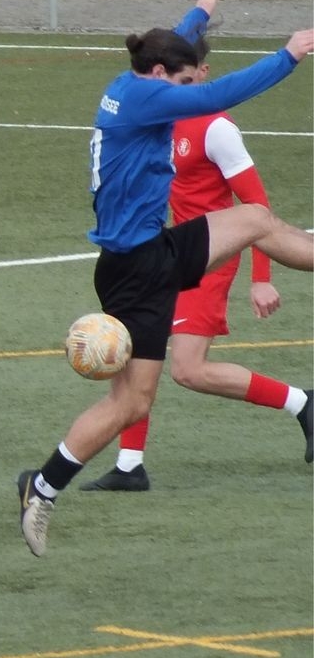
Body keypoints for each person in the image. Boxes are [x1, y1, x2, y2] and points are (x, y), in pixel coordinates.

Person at [15, 0, 314, 556]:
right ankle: (43, 487)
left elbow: (177, 47)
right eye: (182, 83)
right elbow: (222, 92)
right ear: (158, 76)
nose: (189, 92)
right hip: (140, 271)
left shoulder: (130, 84)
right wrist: (288, 55)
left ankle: (45, 485)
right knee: (130, 404)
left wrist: (200, 13)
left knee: (254, 218)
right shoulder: (150, 98)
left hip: (149, 254)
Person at [82, 33, 313, 491]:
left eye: (196, 79)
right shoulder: (158, 113)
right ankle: (129, 465)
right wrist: (201, 10)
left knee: (188, 369)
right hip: (165, 252)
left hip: (205, 258)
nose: (191, 87)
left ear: (203, 74)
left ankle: (302, 403)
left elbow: (256, 208)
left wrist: (261, 277)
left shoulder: (215, 127)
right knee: (137, 346)